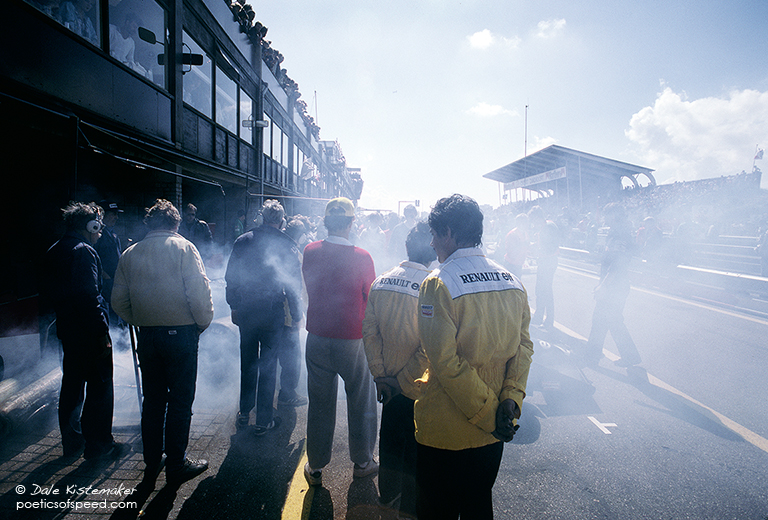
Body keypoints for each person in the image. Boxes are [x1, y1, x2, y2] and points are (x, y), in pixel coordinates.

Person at [416, 194, 534, 519]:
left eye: (435, 233)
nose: (432, 242)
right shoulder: (513, 282)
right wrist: (509, 401)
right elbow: (523, 348)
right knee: (478, 505)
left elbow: (444, 362)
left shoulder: (437, 284)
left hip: (446, 431)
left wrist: (488, 413)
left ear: (449, 233)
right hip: (492, 433)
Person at [112, 199, 214, 486]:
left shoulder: (130, 253)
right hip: (180, 334)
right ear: (176, 223)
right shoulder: (184, 248)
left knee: (153, 400)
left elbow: (118, 301)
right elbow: (199, 294)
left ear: (149, 223)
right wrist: (201, 324)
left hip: (148, 335)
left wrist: (141, 319)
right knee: (180, 401)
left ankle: (152, 460)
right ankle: (177, 463)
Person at [302, 197, 378, 486]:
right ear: (351, 223)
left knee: (319, 402)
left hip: (318, 336)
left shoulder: (309, 250)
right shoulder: (363, 257)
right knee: (361, 399)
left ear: (325, 221)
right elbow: (370, 298)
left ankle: (316, 465)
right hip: (352, 339)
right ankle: (362, 460)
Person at [362, 221, 435, 519]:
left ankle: (388, 498)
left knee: (390, 445)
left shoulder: (381, 281)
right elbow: (430, 346)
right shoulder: (435, 286)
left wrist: (381, 377)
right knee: (418, 452)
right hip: (419, 389)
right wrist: (404, 381)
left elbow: (369, 332)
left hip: (388, 388)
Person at [44, 201, 126, 460]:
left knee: (71, 385)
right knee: (101, 387)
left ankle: (72, 442)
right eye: (97, 225)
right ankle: (99, 444)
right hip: (89, 333)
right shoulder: (84, 251)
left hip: (67, 330)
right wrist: (102, 332)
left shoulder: (54, 249)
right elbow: (89, 297)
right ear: (91, 225)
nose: (99, 230)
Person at [225, 200, 303, 433]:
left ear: (261, 217)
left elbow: (231, 277)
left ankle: (244, 412)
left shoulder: (244, 240)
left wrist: (234, 305)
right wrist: (297, 314)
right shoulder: (286, 244)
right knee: (268, 366)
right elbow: (293, 285)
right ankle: (263, 420)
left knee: (247, 362)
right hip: (272, 312)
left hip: (247, 310)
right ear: (281, 221)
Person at [584, 203, 642, 367]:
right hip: (614, 285)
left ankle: (592, 356)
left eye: (606, 215)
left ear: (614, 216)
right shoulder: (616, 232)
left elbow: (617, 263)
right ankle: (626, 356)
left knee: (603, 319)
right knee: (610, 320)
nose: (604, 218)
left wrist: (603, 285)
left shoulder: (620, 234)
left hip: (614, 286)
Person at [528, 205, 560, 328]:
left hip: (548, 262)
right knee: (540, 290)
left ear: (537, 217)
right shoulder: (545, 227)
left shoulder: (549, 227)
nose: (532, 223)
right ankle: (539, 316)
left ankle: (548, 320)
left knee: (545, 291)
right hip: (545, 261)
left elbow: (551, 246)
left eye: (533, 220)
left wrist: (538, 252)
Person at [95, 201, 123, 328]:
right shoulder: (97, 234)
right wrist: (104, 276)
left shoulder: (113, 234)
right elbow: (95, 257)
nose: (116, 217)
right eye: (113, 214)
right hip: (106, 282)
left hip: (115, 280)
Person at [504, 213, 530, 278]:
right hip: (511, 264)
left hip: (519, 263)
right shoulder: (513, 234)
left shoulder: (525, 233)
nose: (527, 224)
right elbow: (510, 250)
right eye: (525, 222)